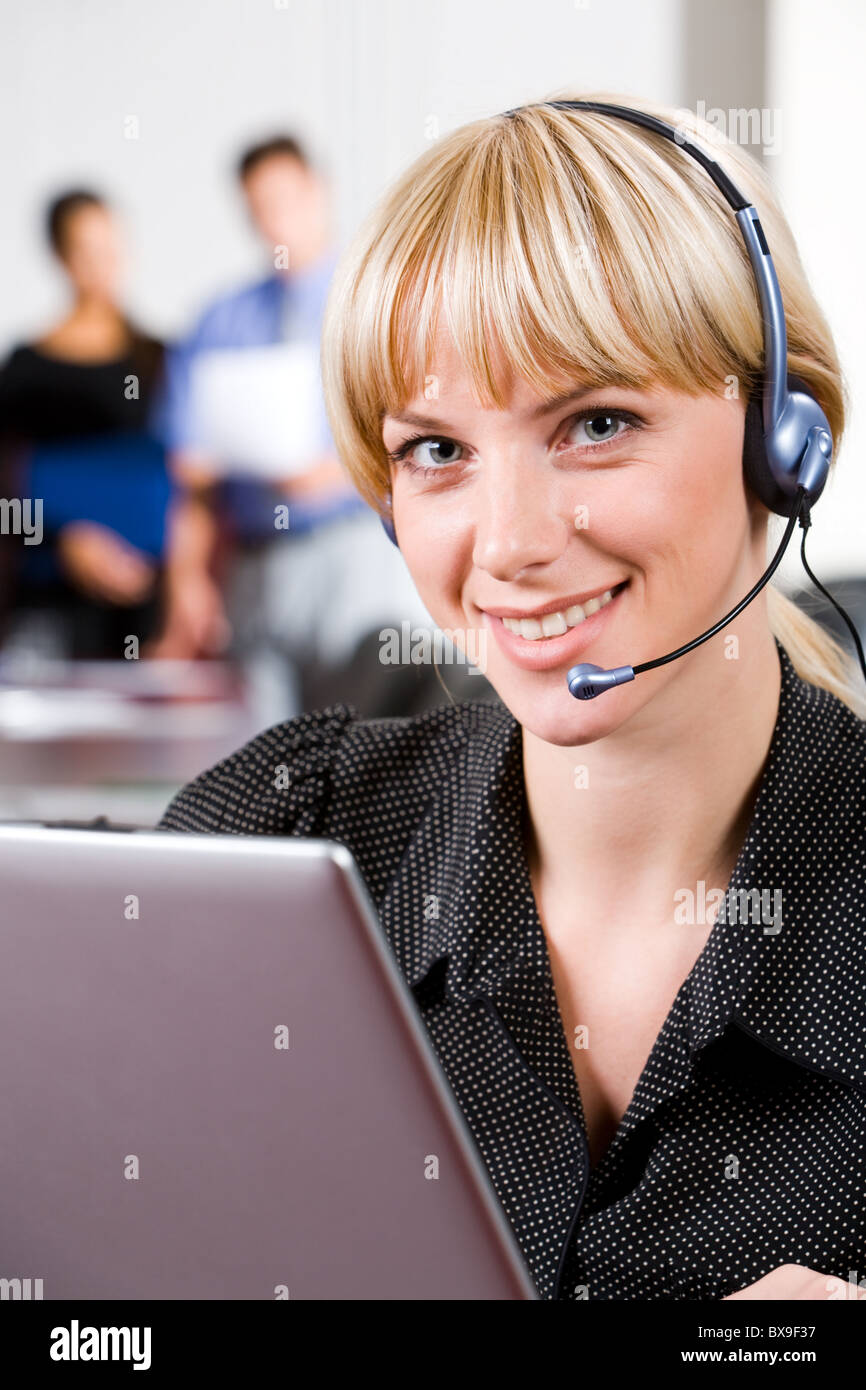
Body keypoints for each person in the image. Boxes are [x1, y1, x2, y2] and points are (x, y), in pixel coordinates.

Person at [158, 92, 866, 1301]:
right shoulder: (276, 834)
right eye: (436, 451)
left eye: (596, 424)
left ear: (781, 439)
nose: (507, 544)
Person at [153, 133, 444, 719]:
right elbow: (193, 481)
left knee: (363, 729)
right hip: (256, 564)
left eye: (285, 200)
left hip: (352, 549)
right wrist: (188, 582)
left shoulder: (381, 301)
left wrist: (339, 475)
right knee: (268, 744)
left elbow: (443, 434)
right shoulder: (221, 321)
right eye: (259, 208)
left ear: (319, 193)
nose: (275, 222)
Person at [0, 189, 171, 659]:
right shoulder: (24, 370)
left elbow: (192, 480)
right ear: (61, 257)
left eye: (112, 249)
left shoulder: (160, 359)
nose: (104, 265)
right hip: (49, 604)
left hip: (148, 599)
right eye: (87, 252)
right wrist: (64, 542)